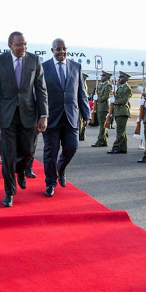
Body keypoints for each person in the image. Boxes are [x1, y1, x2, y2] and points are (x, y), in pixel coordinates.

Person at [0, 31, 48, 207]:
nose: (23, 48)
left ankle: (21, 171)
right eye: (19, 45)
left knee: (28, 151)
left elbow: (41, 90)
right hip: (7, 116)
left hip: (29, 114)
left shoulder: (34, 60)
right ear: (10, 45)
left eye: (25, 44)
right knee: (8, 155)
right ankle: (9, 192)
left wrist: (44, 115)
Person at [42, 38, 90, 196]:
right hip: (51, 118)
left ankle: (60, 170)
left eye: (64, 49)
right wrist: (40, 115)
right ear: (52, 50)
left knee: (72, 147)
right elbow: (39, 94)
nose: (61, 52)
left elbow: (81, 93)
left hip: (71, 116)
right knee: (51, 152)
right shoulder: (43, 68)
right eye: (58, 49)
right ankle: (50, 183)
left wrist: (86, 113)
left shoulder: (76, 67)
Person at [107, 71, 132, 154]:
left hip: (122, 111)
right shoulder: (120, 87)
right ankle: (123, 148)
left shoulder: (127, 88)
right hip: (118, 111)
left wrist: (115, 101)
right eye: (119, 77)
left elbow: (124, 100)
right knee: (122, 131)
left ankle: (116, 147)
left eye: (121, 77)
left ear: (126, 79)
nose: (119, 79)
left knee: (120, 131)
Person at [91, 71, 112, 147]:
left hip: (103, 107)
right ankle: (104, 140)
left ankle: (100, 140)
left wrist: (98, 98)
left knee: (103, 125)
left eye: (103, 76)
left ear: (107, 77)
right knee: (102, 125)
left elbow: (105, 97)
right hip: (100, 107)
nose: (101, 77)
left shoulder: (108, 86)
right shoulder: (102, 85)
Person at [79, 72, 89, 141]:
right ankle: (81, 134)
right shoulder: (84, 84)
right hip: (82, 104)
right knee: (81, 120)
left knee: (80, 120)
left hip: (81, 104)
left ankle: (80, 134)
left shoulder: (83, 85)